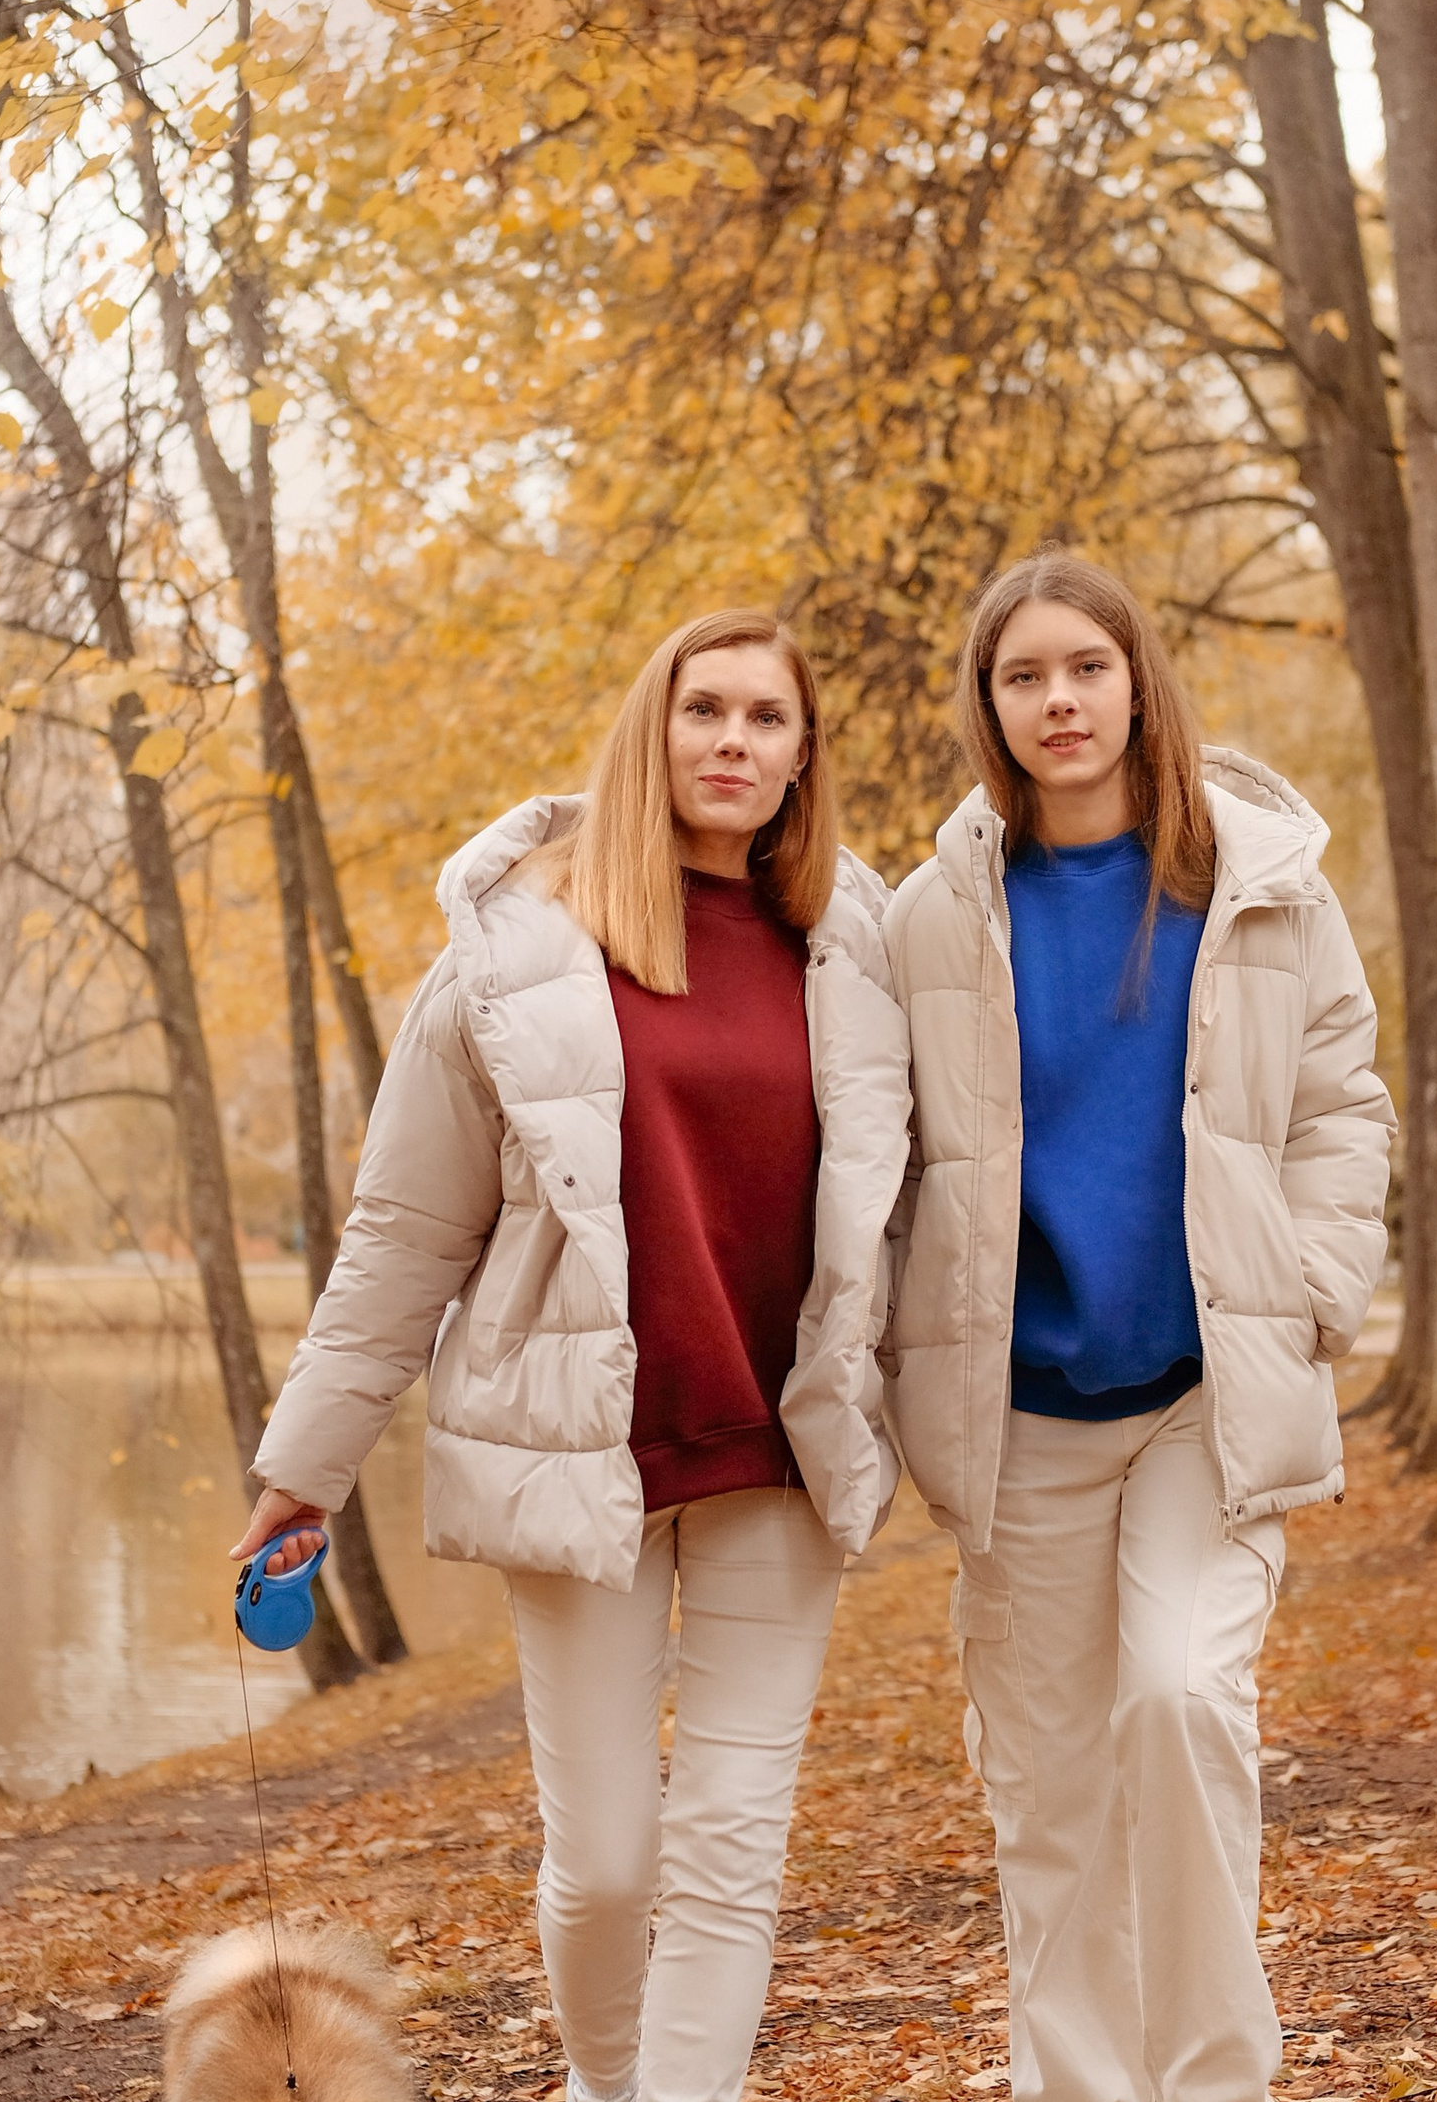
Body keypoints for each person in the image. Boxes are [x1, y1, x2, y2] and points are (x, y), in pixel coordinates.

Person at [237, 607, 911, 2102]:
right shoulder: (514, 951)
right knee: (607, 1865)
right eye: (706, 710)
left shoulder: (857, 950)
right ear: (651, 730)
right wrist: (304, 1470)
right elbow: (406, 1232)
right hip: (576, 1454)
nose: (734, 741)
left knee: (731, 1852)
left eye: (768, 719)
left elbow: (929, 1197)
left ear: (803, 756)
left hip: (778, 1455)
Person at [882, 553, 1394, 2102]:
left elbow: (1339, 1110)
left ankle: (1217, 2080)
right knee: (1052, 1794)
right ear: (989, 705)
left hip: (1200, 1400)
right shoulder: (931, 918)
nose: (1058, 701)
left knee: (1178, 1704)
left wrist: (1313, 1292)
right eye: (1022, 676)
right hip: (1024, 1418)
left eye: (1084, 669)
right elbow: (888, 1158)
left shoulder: (1258, 887)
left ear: (1135, 683)